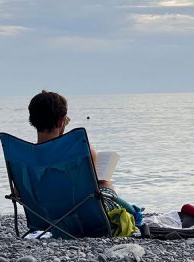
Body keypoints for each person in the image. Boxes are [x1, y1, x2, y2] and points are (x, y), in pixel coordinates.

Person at [27, 90, 140, 233]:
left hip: (44, 218)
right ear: (62, 121)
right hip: (82, 219)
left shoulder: (26, 157)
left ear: (32, 120)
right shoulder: (82, 150)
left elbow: (20, 192)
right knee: (104, 184)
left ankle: (135, 213)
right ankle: (136, 214)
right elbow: (87, 191)